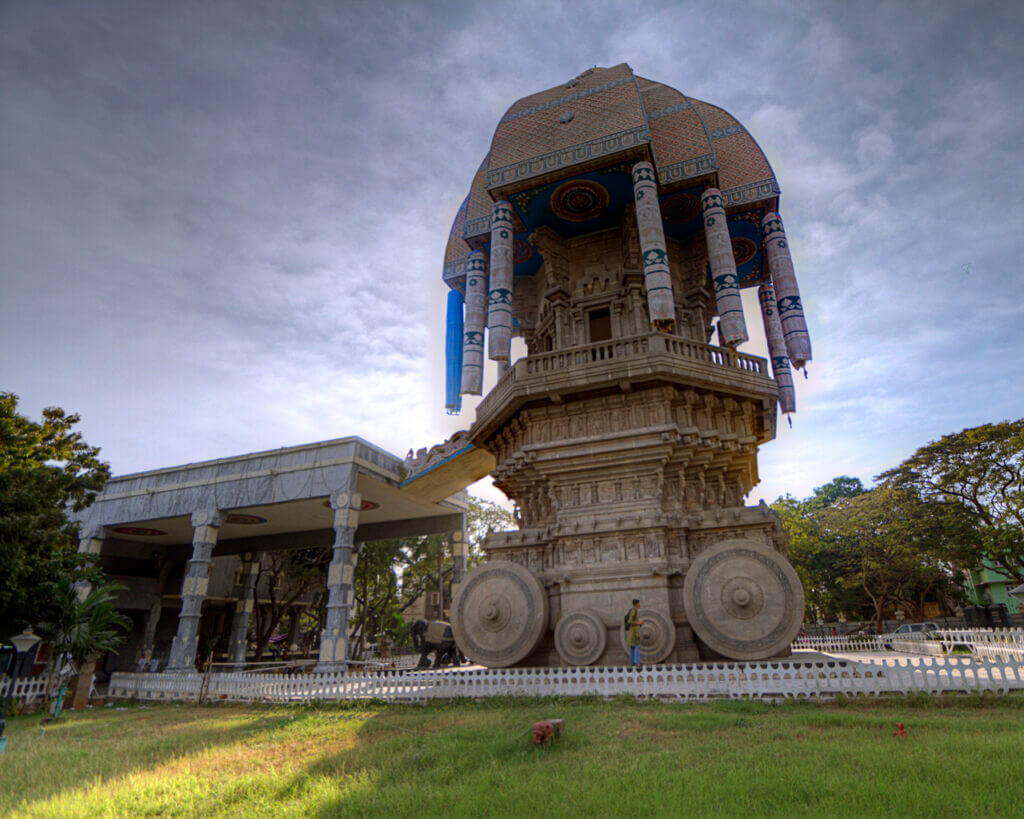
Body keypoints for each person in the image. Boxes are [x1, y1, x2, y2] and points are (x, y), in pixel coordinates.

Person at [626, 599, 644, 667]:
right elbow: (630, 621)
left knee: (632, 647)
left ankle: (632, 662)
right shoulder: (634, 611)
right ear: (636, 604)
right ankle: (637, 662)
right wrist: (639, 622)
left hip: (632, 632)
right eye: (639, 603)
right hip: (634, 633)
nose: (639, 604)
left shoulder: (634, 611)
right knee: (636, 647)